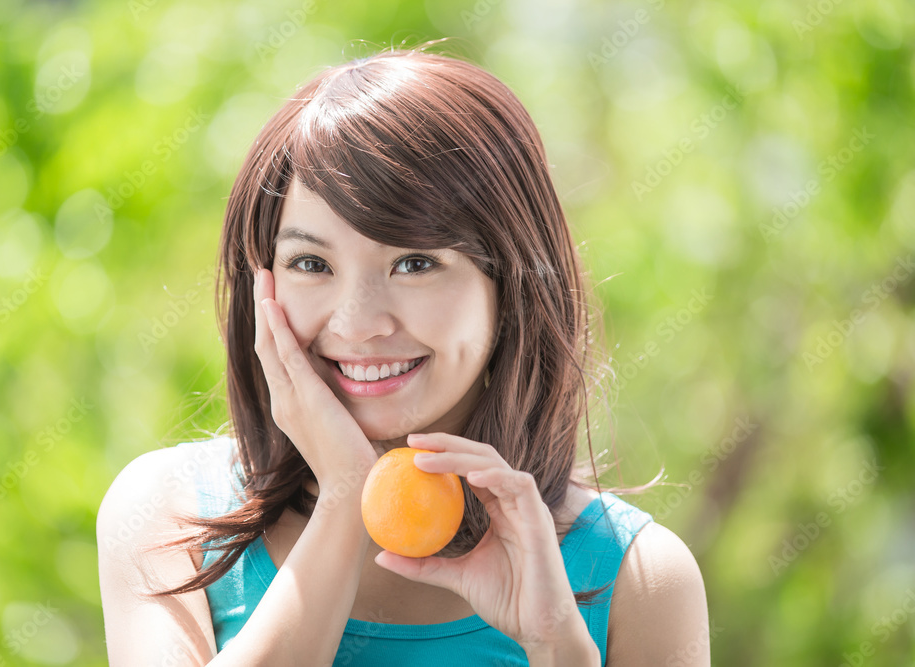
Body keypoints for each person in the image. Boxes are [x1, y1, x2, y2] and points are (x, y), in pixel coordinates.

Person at [97, 44, 709, 666]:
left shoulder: (639, 579)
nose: (358, 324)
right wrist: (345, 496)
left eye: (414, 262)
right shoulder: (168, 515)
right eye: (311, 263)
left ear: (513, 285)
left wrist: (556, 644)